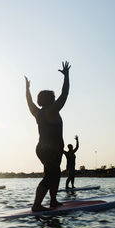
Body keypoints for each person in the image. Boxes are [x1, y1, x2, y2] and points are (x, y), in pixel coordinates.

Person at [25, 61, 71, 211]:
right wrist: (66, 76)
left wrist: (27, 89)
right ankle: (37, 205)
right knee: (51, 176)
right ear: (51, 99)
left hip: (42, 149)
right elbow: (65, 94)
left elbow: (29, 101)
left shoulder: (37, 112)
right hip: (52, 149)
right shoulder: (53, 110)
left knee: (54, 173)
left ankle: (53, 201)